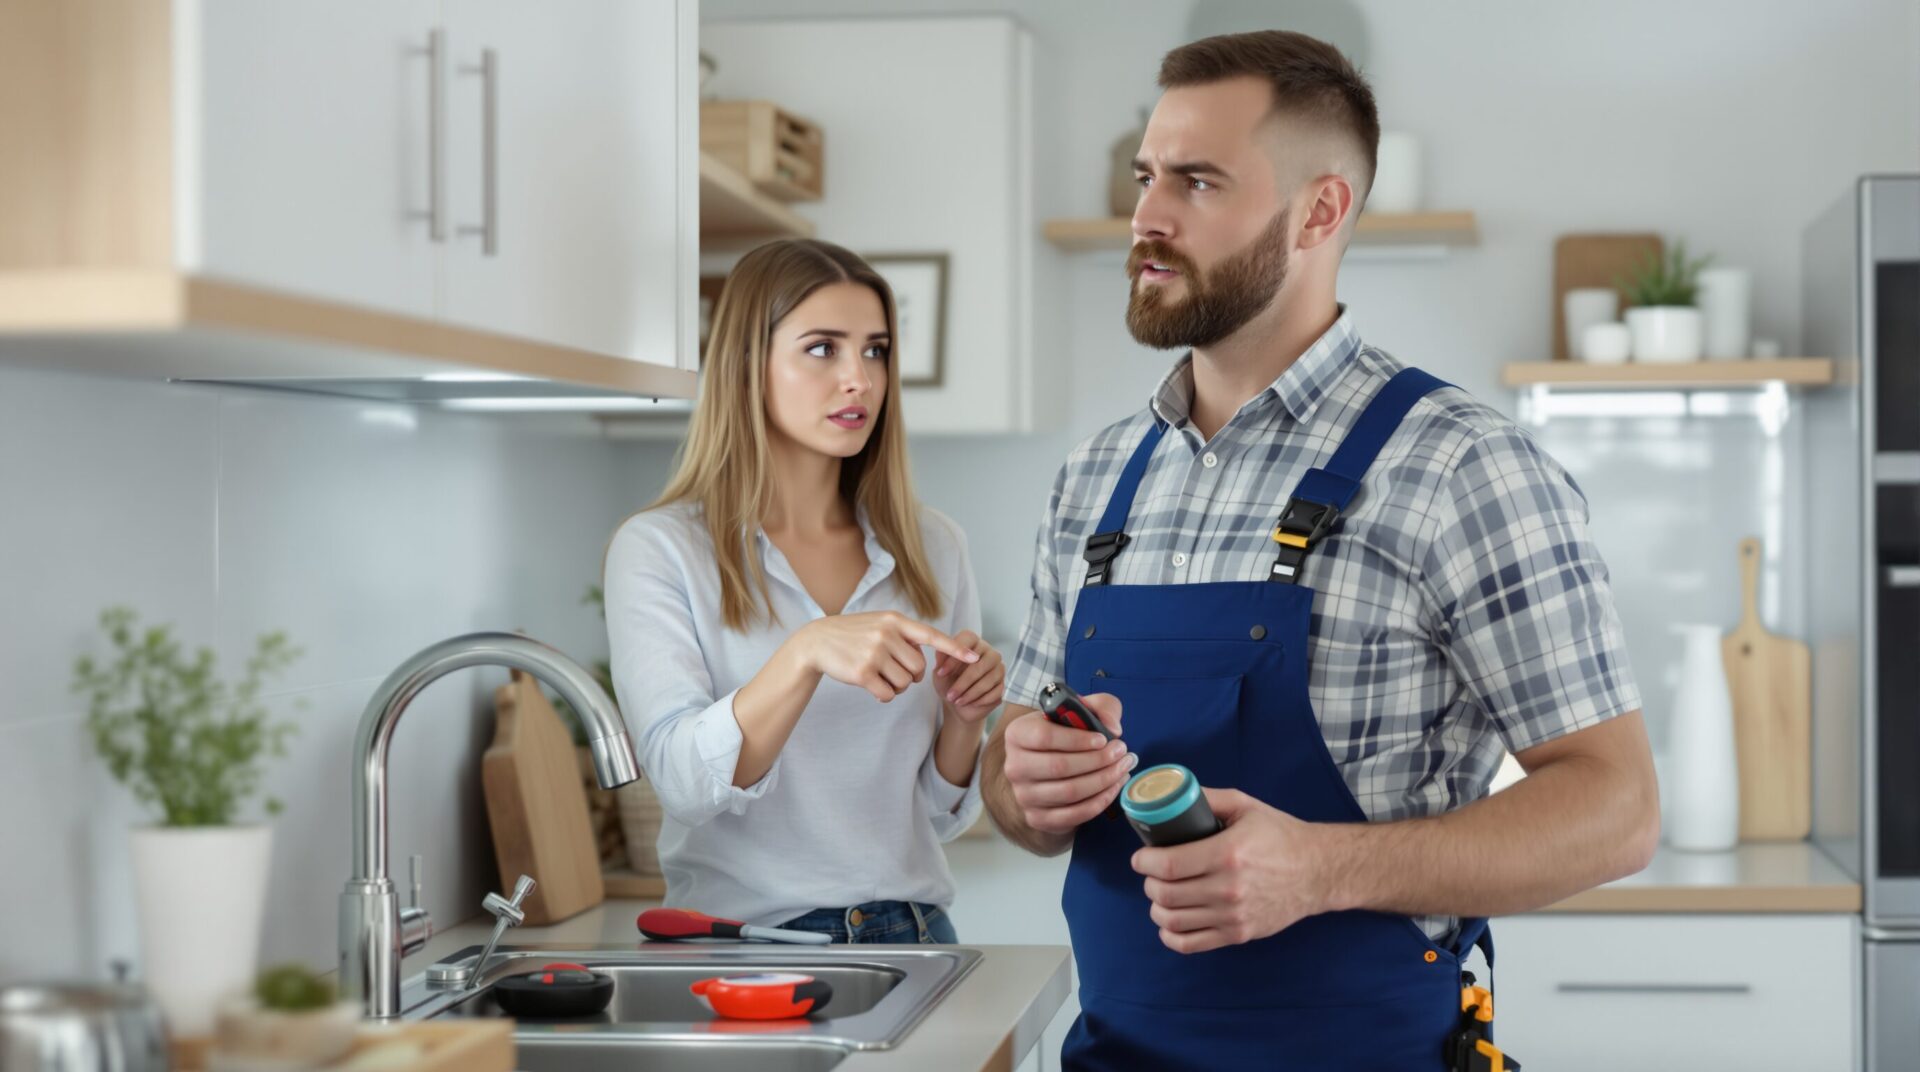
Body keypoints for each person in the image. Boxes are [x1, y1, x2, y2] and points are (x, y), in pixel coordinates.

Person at [981, 30, 1659, 1069]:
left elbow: (1616, 808)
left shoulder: (1459, 467)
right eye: (1145, 176)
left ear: (1321, 210)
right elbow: (1014, 791)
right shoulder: (1094, 479)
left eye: (1197, 181)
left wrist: (1324, 869)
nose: (1148, 218)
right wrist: (1020, 782)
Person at [605, 239, 1005, 945]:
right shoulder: (661, 550)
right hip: (742, 949)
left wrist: (966, 719)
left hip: (913, 936)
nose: (859, 379)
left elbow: (942, 817)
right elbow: (682, 784)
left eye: (875, 351)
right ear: (746, 365)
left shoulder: (933, 547)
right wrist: (806, 652)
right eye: (823, 348)